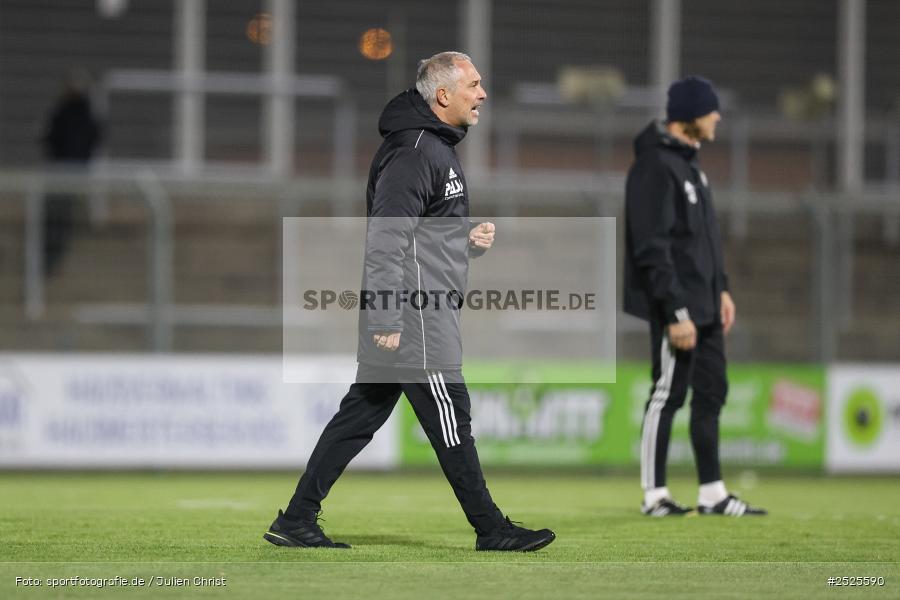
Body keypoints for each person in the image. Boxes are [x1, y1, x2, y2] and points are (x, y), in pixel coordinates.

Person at [265, 51, 556, 551]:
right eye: (475, 85)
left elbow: (421, 234)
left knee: (362, 413)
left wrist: (465, 239)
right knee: (450, 412)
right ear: (443, 95)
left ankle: (296, 519)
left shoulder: (432, 147)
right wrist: (386, 314)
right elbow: (386, 239)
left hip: (415, 306)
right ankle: (491, 528)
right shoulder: (416, 151)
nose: (482, 94)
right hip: (414, 312)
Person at [624, 76, 766, 517]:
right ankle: (654, 495)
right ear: (689, 116)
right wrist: (675, 311)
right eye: (711, 110)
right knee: (668, 394)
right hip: (679, 309)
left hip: (705, 305)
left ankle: (712, 493)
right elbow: (653, 247)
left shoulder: (690, 165)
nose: (717, 117)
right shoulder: (655, 165)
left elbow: (704, 240)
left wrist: (721, 287)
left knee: (712, 393)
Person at [40, 69, 102, 277]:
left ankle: (50, 257)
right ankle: (50, 257)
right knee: (59, 217)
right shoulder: (86, 114)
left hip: (62, 171)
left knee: (57, 216)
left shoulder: (65, 112)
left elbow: (50, 139)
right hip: (72, 170)